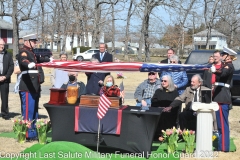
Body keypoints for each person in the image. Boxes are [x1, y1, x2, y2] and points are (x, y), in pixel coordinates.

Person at [18, 34, 48, 139]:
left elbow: (41, 59)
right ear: (27, 41)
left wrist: (50, 60)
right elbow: (23, 60)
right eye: (33, 41)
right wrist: (28, 64)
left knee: (34, 111)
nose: (35, 43)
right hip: (27, 86)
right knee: (28, 111)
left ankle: (34, 132)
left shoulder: (33, 53)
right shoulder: (24, 51)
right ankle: (27, 133)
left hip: (34, 86)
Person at [210, 47, 236, 152]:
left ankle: (224, 147)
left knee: (222, 124)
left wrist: (215, 71)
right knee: (220, 124)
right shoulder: (225, 66)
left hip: (222, 97)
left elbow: (223, 74)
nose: (221, 56)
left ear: (228, 56)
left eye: (223, 54)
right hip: (219, 96)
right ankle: (221, 146)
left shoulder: (229, 66)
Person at [0, 38, 14, 120]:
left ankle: (5, 113)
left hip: (5, 79)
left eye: (3, 45)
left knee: (5, 97)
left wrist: (5, 76)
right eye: (0, 45)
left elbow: (11, 66)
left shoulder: (8, 54)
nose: (2, 46)